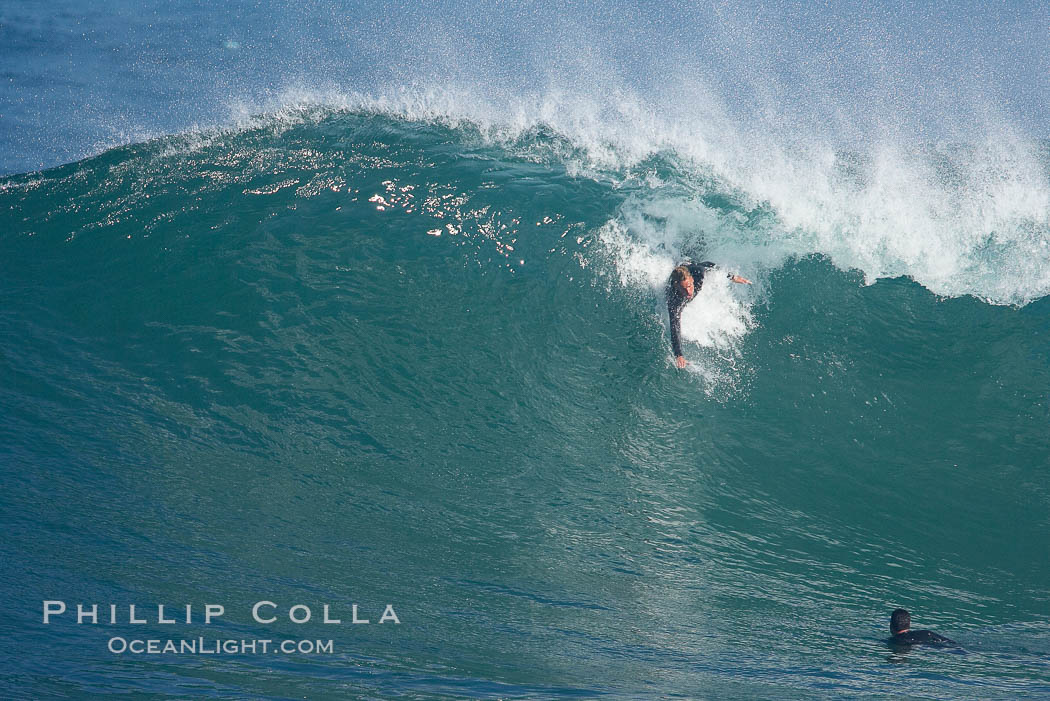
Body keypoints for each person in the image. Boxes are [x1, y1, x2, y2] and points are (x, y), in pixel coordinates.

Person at [667, 261, 751, 368]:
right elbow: (674, 326)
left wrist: (732, 277)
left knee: (693, 262)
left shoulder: (698, 275)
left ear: (692, 280)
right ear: (677, 287)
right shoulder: (673, 300)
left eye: (689, 286)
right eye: (683, 289)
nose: (688, 292)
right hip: (677, 277)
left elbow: (708, 264)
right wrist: (678, 354)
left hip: (689, 264)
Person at [888, 608, 956, 648]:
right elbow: (951, 642)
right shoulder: (926, 632)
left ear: (891, 625)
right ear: (909, 624)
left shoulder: (894, 640)